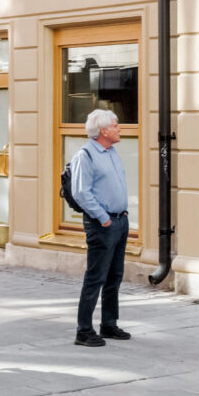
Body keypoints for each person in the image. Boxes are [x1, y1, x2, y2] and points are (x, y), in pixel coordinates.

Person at [68, 109, 133, 348]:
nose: (119, 128)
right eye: (115, 125)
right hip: (102, 224)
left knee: (114, 276)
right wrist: (104, 218)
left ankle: (109, 324)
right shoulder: (85, 155)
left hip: (120, 221)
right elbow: (81, 193)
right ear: (103, 131)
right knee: (95, 277)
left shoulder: (112, 152)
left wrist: (121, 214)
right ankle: (84, 331)